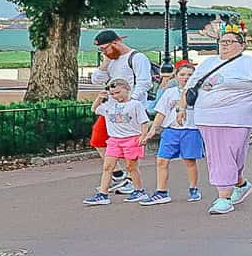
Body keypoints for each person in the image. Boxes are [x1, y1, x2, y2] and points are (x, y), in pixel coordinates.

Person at [188, 30, 252, 215]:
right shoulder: (208, 63)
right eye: (222, 41)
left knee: (231, 153)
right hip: (206, 117)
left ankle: (230, 191)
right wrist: (181, 108)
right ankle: (232, 190)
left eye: (230, 41)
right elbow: (191, 86)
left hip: (237, 117)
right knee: (219, 155)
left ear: (242, 45)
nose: (224, 44)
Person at [90, 29, 155, 195]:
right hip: (112, 109)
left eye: (105, 48)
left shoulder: (137, 58)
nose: (104, 52)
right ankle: (120, 176)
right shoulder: (111, 61)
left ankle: (134, 183)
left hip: (131, 110)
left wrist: (131, 101)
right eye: (101, 50)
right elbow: (96, 79)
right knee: (98, 139)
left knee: (129, 147)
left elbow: (144, 82)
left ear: (116, 43)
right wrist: (104, 63)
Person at [139, 62, 203, 205]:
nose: (186, 77)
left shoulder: (199, 93)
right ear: (176, 76)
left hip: (191, 130)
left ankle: (193, 188)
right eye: (182, 74)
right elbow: (161, 112)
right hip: (171, 130)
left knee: (189, 160)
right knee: (161, 160)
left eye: (190, 75)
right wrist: (153, 129)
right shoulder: (170, 92)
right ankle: (161, 191)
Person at [83, 78, 148, 205]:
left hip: (131, 138)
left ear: (127, 89)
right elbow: (94, 109)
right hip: (114, 139)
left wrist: (144, 135)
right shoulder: (109, 105)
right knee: (108, 166)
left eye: (118, 93)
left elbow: (143, 121)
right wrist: (100, 98)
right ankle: (103, 193)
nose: (115, 96)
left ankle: (139, 190)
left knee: (131, 166)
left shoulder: (135, 105)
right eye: (113, 94)